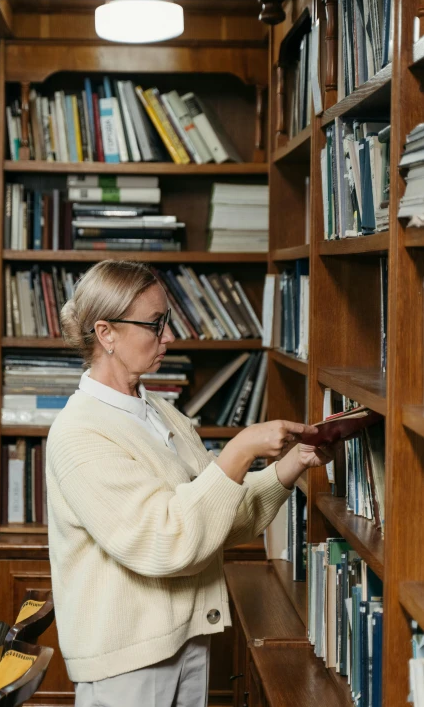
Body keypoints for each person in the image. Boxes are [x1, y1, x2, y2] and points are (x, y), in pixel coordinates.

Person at [46, 260, 333, 707]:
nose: (169, 337)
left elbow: (217, 517)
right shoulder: (78, 433)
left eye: (168, 321)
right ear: (106, 333)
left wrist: (292, 464)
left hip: (187, 639)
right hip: (129, 662)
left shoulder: (159, 412)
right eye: (155, 324)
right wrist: (240, 450)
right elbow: (165, 540)